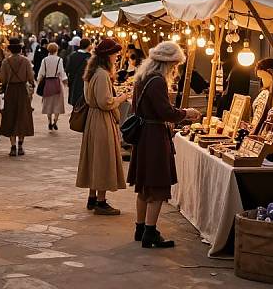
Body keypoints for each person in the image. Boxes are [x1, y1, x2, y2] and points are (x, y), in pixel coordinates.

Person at [127, 41, 201, 249]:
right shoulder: (157, 81)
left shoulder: (141, 78)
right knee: (157, 185)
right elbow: (166, 113)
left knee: (144, 185)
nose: (175, 69)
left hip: (144, 136)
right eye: (175, 65)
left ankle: (140, 228)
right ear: (167, 64)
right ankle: (150, 232)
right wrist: (187, 113)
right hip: (154, 137)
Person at [76, 39, 130, 215]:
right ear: (107, 56)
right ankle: (100, 201)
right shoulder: (101, 74)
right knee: (103, 159)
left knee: (95, 157)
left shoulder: (93, 72)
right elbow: (105, 102)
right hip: (101, 119)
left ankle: (93, 197)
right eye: (114, 54)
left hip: (94, 119)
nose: (116, 56)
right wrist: (122, 97)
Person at [0, 38, 35, 156]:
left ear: (10, 49)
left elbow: (2, 79)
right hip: (22, 90)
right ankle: (20, 146)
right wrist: (32, 84)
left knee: (11, 117)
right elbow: (30, 76)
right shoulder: (25, 61)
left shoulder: (5, 62)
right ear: (20, 49)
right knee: (22, 116)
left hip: (10, 91)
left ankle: (13, 146)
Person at [38, 42, 68, 131]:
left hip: (47, 83)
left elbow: (41, 73)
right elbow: (62, 72)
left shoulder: (44, 60)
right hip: (56, 83)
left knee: (48, 104)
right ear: (56, 50)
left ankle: (49, 122)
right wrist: (65, 81)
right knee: (57, 104)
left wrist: (39, 80)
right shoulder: (59, 60)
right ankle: (55, 121)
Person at [66, 38, 93, 106]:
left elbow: (68, 69)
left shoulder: (73, 55)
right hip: (84, 82)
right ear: (88, 45)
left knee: (75, 101)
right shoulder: (89, 57)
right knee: (82, 103)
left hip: (74, 82)